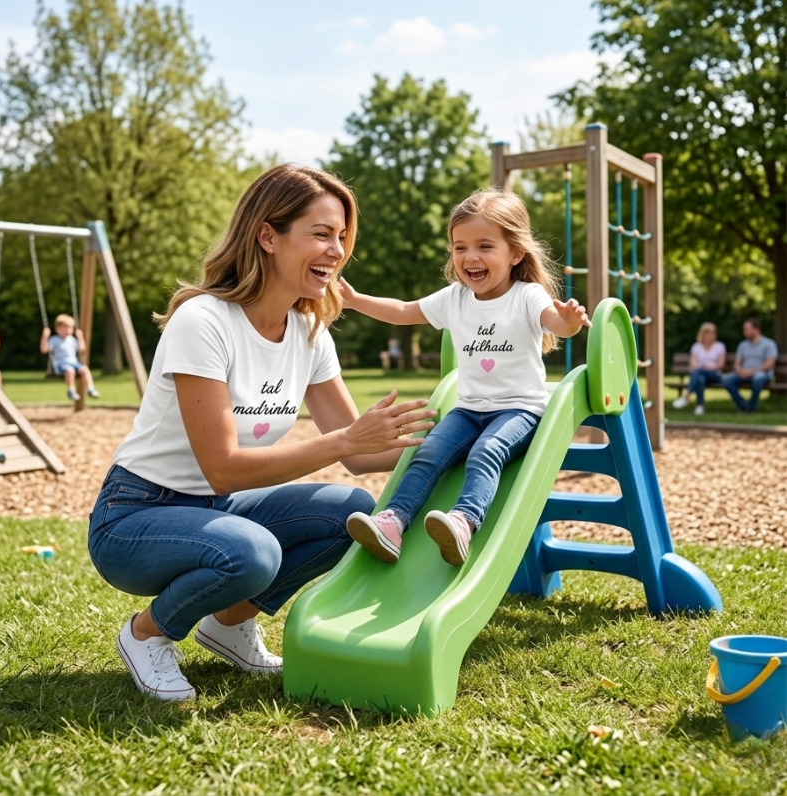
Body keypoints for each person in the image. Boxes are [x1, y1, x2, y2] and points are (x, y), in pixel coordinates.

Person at [87, 165, 436, 702]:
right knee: (252, 554)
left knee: (351, 514)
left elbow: (365, 457)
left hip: (220, 508)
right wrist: (345, 442)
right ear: (267, 236)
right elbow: (222, 467)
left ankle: (227, 625)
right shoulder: (203, 321)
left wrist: (462, 444)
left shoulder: (309, 332)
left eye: (341, 237)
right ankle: (147, 634)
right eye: (320, 234)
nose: (337, 250)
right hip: (134, 515)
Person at [340, 187, 591, 567]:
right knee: (427, 454)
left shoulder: (527, 296)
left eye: (485, 246)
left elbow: (554, 322)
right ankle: (393, 523)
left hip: (520, 411)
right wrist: (356, 300)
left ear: (516, 253)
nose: (470, 257)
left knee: (486, 451)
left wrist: (569, 323)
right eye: (460, 247)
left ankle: (463, 521)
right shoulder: (455, 298)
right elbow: (404, 310)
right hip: (469, 410)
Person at [721, 318, 778, 413]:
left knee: (758, 378)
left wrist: (751, 371)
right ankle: (743, 405)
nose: (744, 332)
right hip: (744, 373)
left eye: (747, 329)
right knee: (726, 379)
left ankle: (752, 407)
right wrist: (740, 371)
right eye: (744, 329)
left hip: (762, 373)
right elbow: (737, 363)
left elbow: (769, 364)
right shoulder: (743, 345)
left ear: (756, 329)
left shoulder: (769, 344)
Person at [40, 314, 99, 401]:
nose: (67, 330)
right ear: (57, 329)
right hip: (61, 364)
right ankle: (71, 390)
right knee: (70, 370)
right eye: (65, 328)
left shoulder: (72, 339)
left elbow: (82, 349)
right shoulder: (54, 339)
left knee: (85, 369)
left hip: (74, 362)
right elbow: (44, 349)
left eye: (70, 328)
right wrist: (44, 337)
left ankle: (90, 389)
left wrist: (80, 337)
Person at [672, 322, 726, 416]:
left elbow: (721, 365)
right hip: (700, 374)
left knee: (699, 371)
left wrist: (707, 367)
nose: (710, 334)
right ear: (702, 333)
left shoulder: (719, 346)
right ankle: (700, 406)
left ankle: (687, 396)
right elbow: (693, 363)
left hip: (715, 374)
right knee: (700, 379)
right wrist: (699, 367)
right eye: (707, 332)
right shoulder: (696, 346)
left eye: (713, 332)